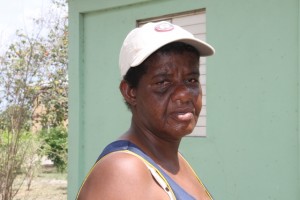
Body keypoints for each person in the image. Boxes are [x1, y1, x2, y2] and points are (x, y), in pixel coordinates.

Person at [77, 21, 215, 200]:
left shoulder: (175, 160)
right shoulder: (124, 172)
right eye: (163, 82)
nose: (184, 94)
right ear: (130, 92)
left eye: (191, 80)